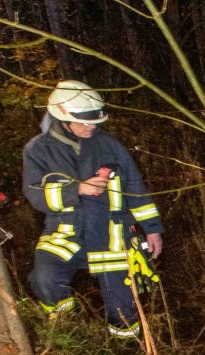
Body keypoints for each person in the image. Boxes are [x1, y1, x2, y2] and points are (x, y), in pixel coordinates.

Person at [22, 80, 164, 338]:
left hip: (112, 235)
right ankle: (67, 331)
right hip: (64, 232)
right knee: (45, 279)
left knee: (123, 304)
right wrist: (76, 190)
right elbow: (34, 193)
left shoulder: (110, 146)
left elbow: (136, 189)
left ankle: (126, 348)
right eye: (84, 122)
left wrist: (152, 230)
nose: (92, 127)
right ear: (62, 118)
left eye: (95, 122)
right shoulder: (38, 150)